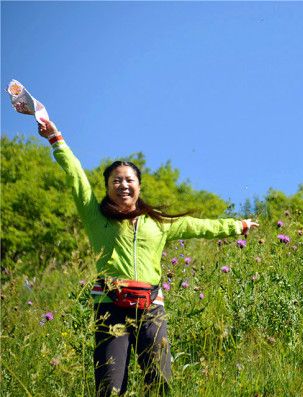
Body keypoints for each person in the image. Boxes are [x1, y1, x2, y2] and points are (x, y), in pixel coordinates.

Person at [36, 118, 258, 396]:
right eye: (116, 181)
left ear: (139, 186)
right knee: (110, 385)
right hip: (109, 306)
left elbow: (198, 225)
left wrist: (237, 226)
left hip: (151, 306)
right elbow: (75, 175)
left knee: (160, 380)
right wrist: (56, 139)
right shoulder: (96, 218)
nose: (123, 185)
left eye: (129, 180)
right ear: (107, 187)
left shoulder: (159, 223)